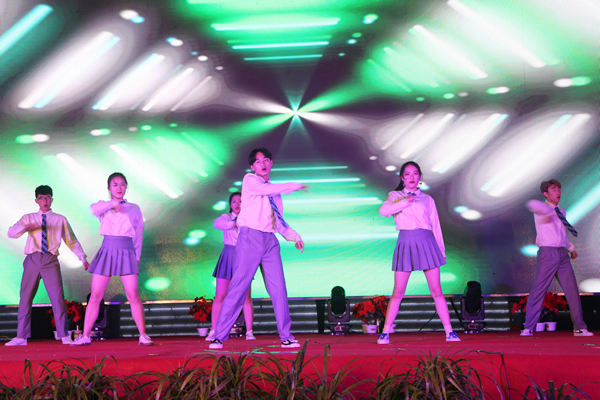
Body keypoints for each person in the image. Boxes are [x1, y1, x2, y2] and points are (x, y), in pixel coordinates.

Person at [209, 148, 306, 349]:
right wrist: (292, 186)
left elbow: (278, 220)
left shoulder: (275, 192)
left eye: (266, 160)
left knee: (279, 288)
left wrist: (294, 236)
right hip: (250, 238)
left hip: (270, 241)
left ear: (271, 163)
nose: (263, 164)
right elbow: (265, 190)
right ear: (252, 166)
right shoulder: (250, 180)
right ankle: (219, 335)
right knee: (239, 286)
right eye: (258, 161)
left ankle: (286, 336)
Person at [377, 161, 460, 344]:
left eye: (415, 173)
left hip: (427, 242)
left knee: (436, 290)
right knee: (398, 291)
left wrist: (441, 251)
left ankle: (449, 331)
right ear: (402, 178)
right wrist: (404, 202)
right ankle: (385, 332)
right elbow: (383, 211)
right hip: (406, 242)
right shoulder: (395, 195)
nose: (411, 177)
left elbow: (435, 226)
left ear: (420, 177)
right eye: (407, 174)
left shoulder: (427, 199)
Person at [72, 172, 153, 346]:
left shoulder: (134, 208)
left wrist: (137, 255)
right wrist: (113, 204)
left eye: (122, 184)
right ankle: (85, 336)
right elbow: (93, 209)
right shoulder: (104, 206)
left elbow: (139, 232)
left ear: (126, 187)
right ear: (109, 187)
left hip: (126, 249)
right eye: (115, 185)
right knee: (95, 295)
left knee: (133, 295)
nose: (119, 188)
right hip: (107, 248)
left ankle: (143, 335)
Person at [6, 185, 89, 346]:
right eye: (41, 198)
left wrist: (82, 258)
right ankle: (21, 336)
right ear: (36, 200)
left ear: (52, 199)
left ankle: (64, 335)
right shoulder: (28, 218)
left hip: (50, 260)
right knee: (25, 297)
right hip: (33, 258)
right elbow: (11, 233)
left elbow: (71, 240)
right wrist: (27, 227)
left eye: (48, 197)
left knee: (57, 298)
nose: (45, 201)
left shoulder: (60, 219)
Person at [521, 179, 593, 337]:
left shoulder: (562, 210)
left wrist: (570, 248)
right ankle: (529, 327)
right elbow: (531, 203)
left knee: (572, 291)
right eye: (554, 189)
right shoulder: (542, 209)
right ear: (546, 194)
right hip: (548, 252)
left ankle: (579, 327)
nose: (558, 192)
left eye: (559, 189)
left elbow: (561, 234)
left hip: (562, 254)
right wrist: (547, 212)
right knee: (539, 290)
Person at [206, 192, 255, 342]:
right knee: (220, 295)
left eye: (240, 201)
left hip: (244, 256)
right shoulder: (226, 217)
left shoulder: (250, 218)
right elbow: (217, 224)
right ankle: (214, 330)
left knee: (246, 297)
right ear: (230, 204)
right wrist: (233, 224)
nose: (237, 204)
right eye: (234, 201)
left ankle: (249, 331)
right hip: (228, 255)